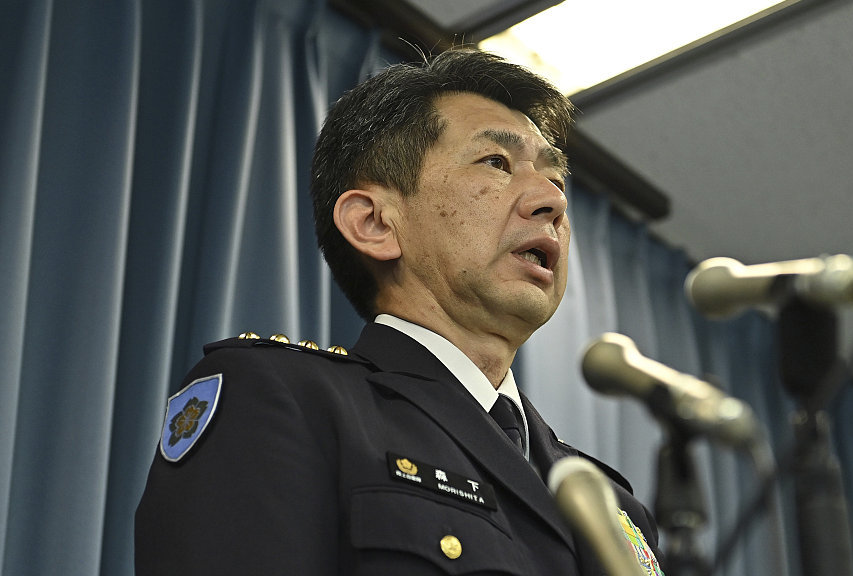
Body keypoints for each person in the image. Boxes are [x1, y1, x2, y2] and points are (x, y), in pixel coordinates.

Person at [135, 49, 663, 575]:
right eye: (496, 163)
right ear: (375, 224)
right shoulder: (283, 399)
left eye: (557, 181)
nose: (552, 201)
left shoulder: (611, 505)